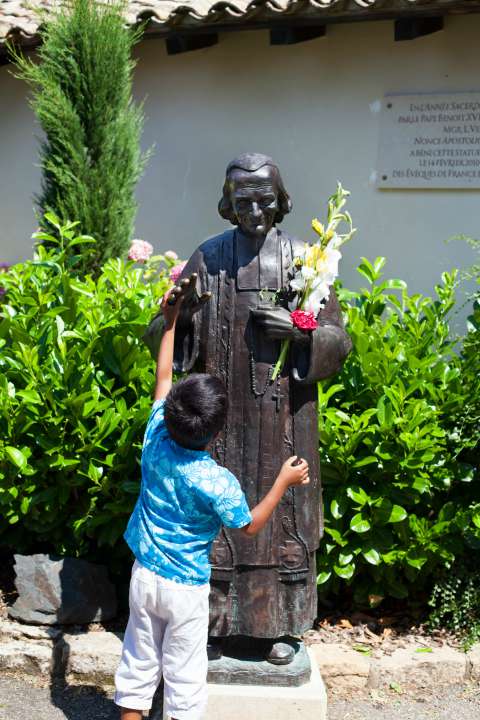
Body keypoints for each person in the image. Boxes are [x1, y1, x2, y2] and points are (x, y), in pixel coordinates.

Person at [144, 153, 352, 665]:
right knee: (215, 522)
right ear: (228, 205)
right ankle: (211, 625)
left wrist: (299, 331)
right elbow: (162, 331)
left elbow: (340, 339)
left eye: (263, 200)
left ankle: (277, 627)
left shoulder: (306, 260)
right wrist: (186, 310)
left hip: (282, 415)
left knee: (282, 519)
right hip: (220, 420)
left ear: (280, 203)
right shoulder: (208, 257)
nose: (253, 210)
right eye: (242, 201)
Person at [115, 281, 310, 720]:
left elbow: (163, 379)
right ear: (218, 432)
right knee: (184, 677)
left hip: (144, 575)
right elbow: (250, 526)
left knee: (139, 662)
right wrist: (283, 479)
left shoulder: (155, 437)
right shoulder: (216, 481)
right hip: (185, 587)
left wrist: (170, 324)